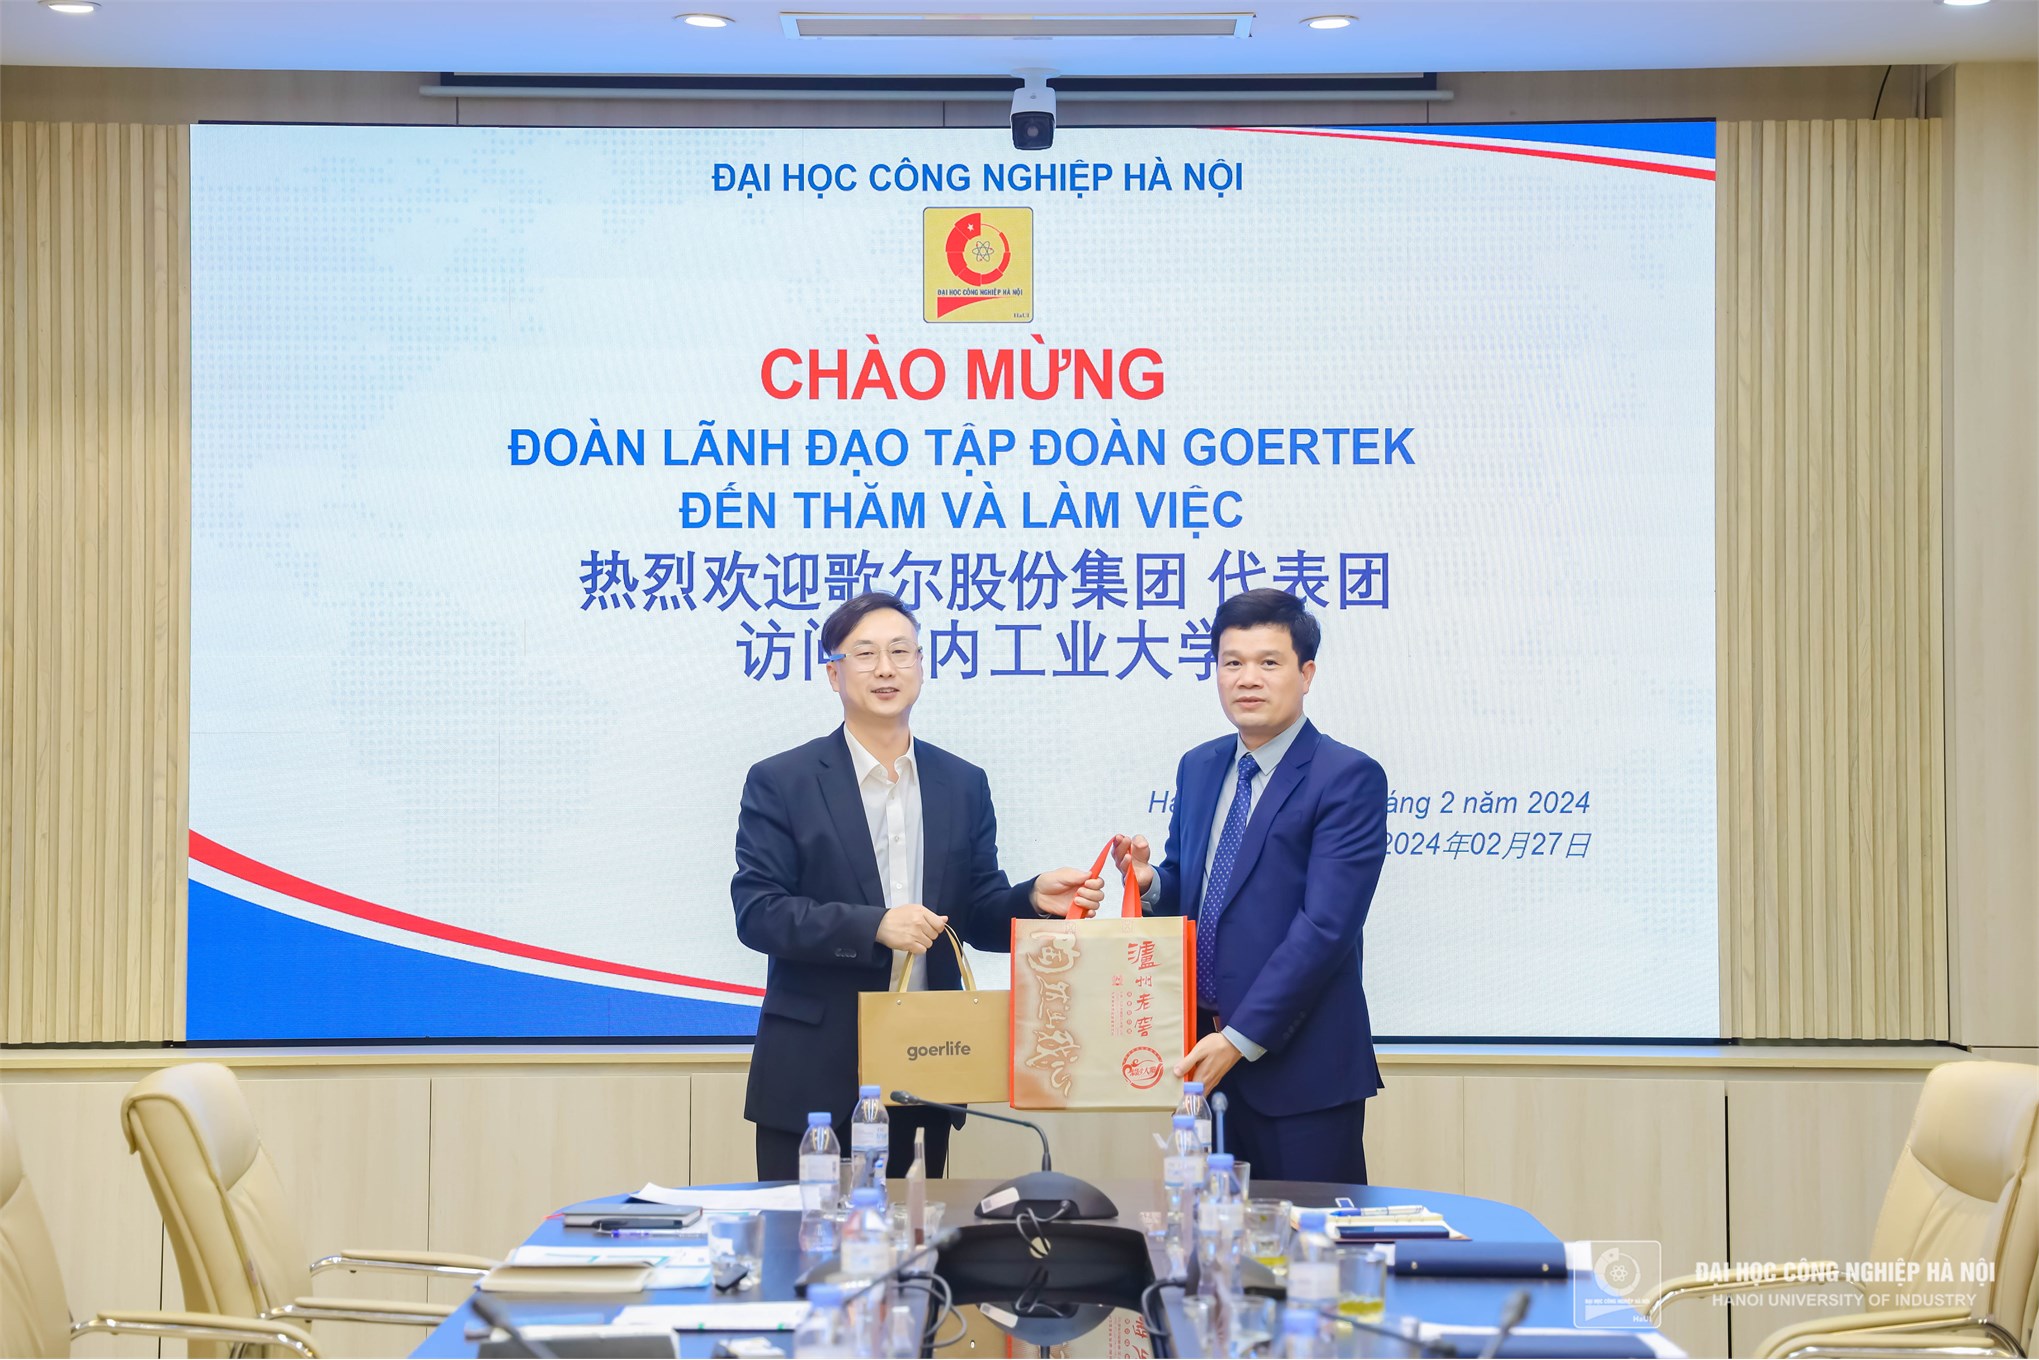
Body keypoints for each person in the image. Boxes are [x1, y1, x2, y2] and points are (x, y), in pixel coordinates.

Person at [734, 590, 1104, 1181]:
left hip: (924, 1067)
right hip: (813, 1077)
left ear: (922, 665)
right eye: (865, 654)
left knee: (914, 1236)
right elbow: (758, 911)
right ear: (833, 674)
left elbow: (976, 913)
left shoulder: (962, 782)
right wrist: (875, 926)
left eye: (901, 652)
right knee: (801, 1236)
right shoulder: (783, 780)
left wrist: (1034, 898)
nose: (886, 668)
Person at [1116, 588, 1387, 1184]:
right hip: (1201, 1059)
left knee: (1307, 1237)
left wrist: (1238, 1040)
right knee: (1207, 1231)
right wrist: (1151, 882)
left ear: (1306, 674)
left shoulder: (1347, 777)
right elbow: (1197, 888)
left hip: (1301, 1072)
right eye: (1232, 662)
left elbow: (1325, 929)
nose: (1247, 679)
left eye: (1269, 662)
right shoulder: (1199, 766)